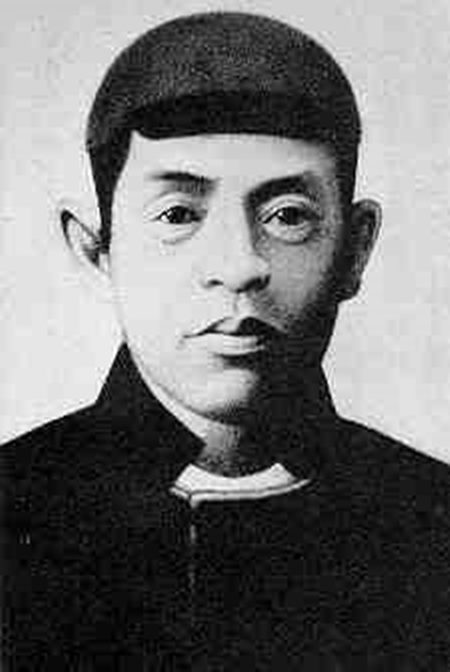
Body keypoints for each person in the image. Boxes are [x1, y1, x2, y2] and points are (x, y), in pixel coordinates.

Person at [2, 11, 450, 671]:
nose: (240, 265)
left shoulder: (430, 519)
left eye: (288, 216)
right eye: (178, 214)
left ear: (355, 250)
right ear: (96, 249)